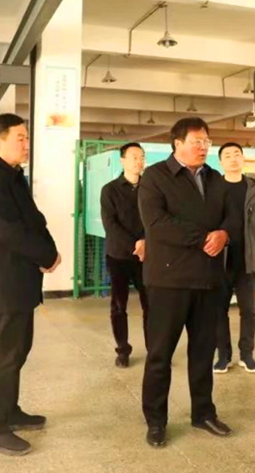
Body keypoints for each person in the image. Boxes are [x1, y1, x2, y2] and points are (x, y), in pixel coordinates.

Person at [139, 117, 240, 448]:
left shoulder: (215, 178)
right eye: (196, 141)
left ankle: (203, 413)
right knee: (160, 354)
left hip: (208, 280)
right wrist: (205, 238)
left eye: (206, 141)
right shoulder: (155, 177)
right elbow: (157, 223)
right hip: (168, 281)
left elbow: (233, 216)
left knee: (203, 352)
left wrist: (224, 234)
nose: (203, 147)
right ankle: (156, 421)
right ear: (177, 143)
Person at [0, 113, 61, 457]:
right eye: (20, 138)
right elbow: (8, 231)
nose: (26, 144)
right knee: (4, 355)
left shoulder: (11, 175)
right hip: (5, 279)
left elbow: (33, 220)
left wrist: (48, 251)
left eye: (27, 137)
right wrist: (45, 254)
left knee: (18, 349)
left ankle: (9, 411)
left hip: (21, 278)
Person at [213, 142, 255, 374]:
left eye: (237, 154)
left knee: (249, 311)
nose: (233, 158)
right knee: (218, 311)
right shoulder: (213, 189)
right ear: (220, 162)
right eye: (227, 155)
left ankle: (247, 355)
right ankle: (223, 357)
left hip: (249, 259)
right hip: (220, 261)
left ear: (243, 158)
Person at [100, 142, 150, 368]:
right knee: (119, 306)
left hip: (147, 256)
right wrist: (135, 244)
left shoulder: (151, 188)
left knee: (151, 305)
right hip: (118, 256)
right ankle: (123, 351)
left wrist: (146, 241)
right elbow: (110, 224)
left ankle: (154, 350)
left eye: (141, 157)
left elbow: (157, 218)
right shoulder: (109, 190)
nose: (138, 161)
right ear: (122, 161)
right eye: (133, 157)